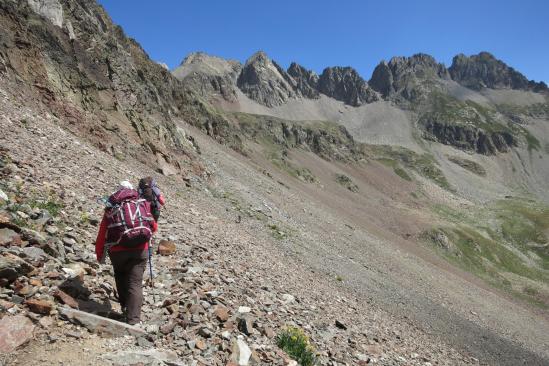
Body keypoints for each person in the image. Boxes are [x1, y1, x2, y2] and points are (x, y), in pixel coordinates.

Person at [95, 181, 157, 325]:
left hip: (117, 251)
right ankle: (134, 320)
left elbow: (102, 232)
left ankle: (124, 307)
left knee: (120, 275)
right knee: (135, 283)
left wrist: (99, 254)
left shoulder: (111, 208)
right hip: (140, 250)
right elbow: (153, 226)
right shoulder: (142, 205)